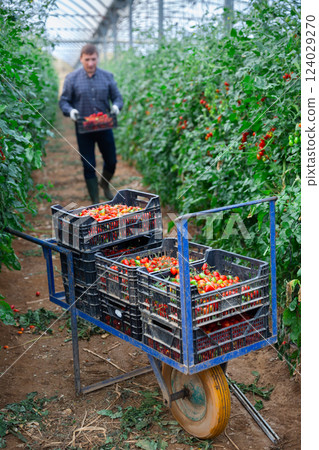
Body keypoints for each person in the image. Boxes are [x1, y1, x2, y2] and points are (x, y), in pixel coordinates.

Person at [59, 43, 123, 203]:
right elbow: (64, 101)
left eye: (93, 59)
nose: (91, 63)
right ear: (81, 59)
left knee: (111, 161)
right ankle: (95, 201)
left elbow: (117, 97)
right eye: (87, 59)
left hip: (104, 126)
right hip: (84, 128)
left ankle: (105, 184)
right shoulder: (72, 79)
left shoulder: (107, 77)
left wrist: (116, 106)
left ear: (98, 58)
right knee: (88, 165)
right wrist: (71, 111)